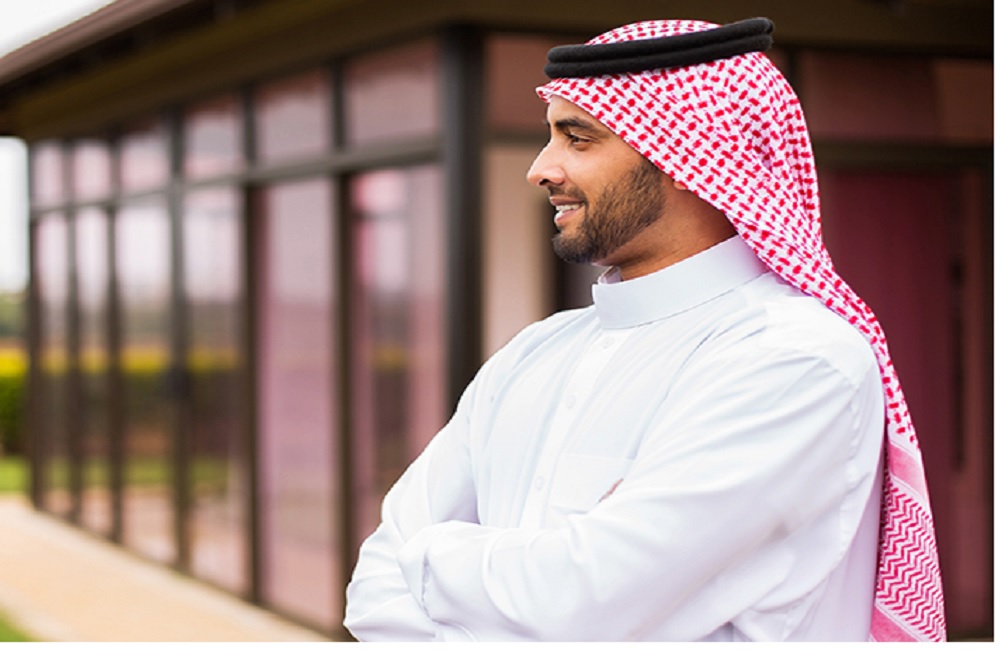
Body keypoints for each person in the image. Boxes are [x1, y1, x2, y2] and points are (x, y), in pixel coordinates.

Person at [343, 18, 945, 642]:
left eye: (578, 139)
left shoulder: (797, 359)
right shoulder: (534, 352)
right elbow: (374, 587)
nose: (541, 169)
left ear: (692, 152)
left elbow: (584, 605)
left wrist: (431, 558)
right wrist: (535, 575)